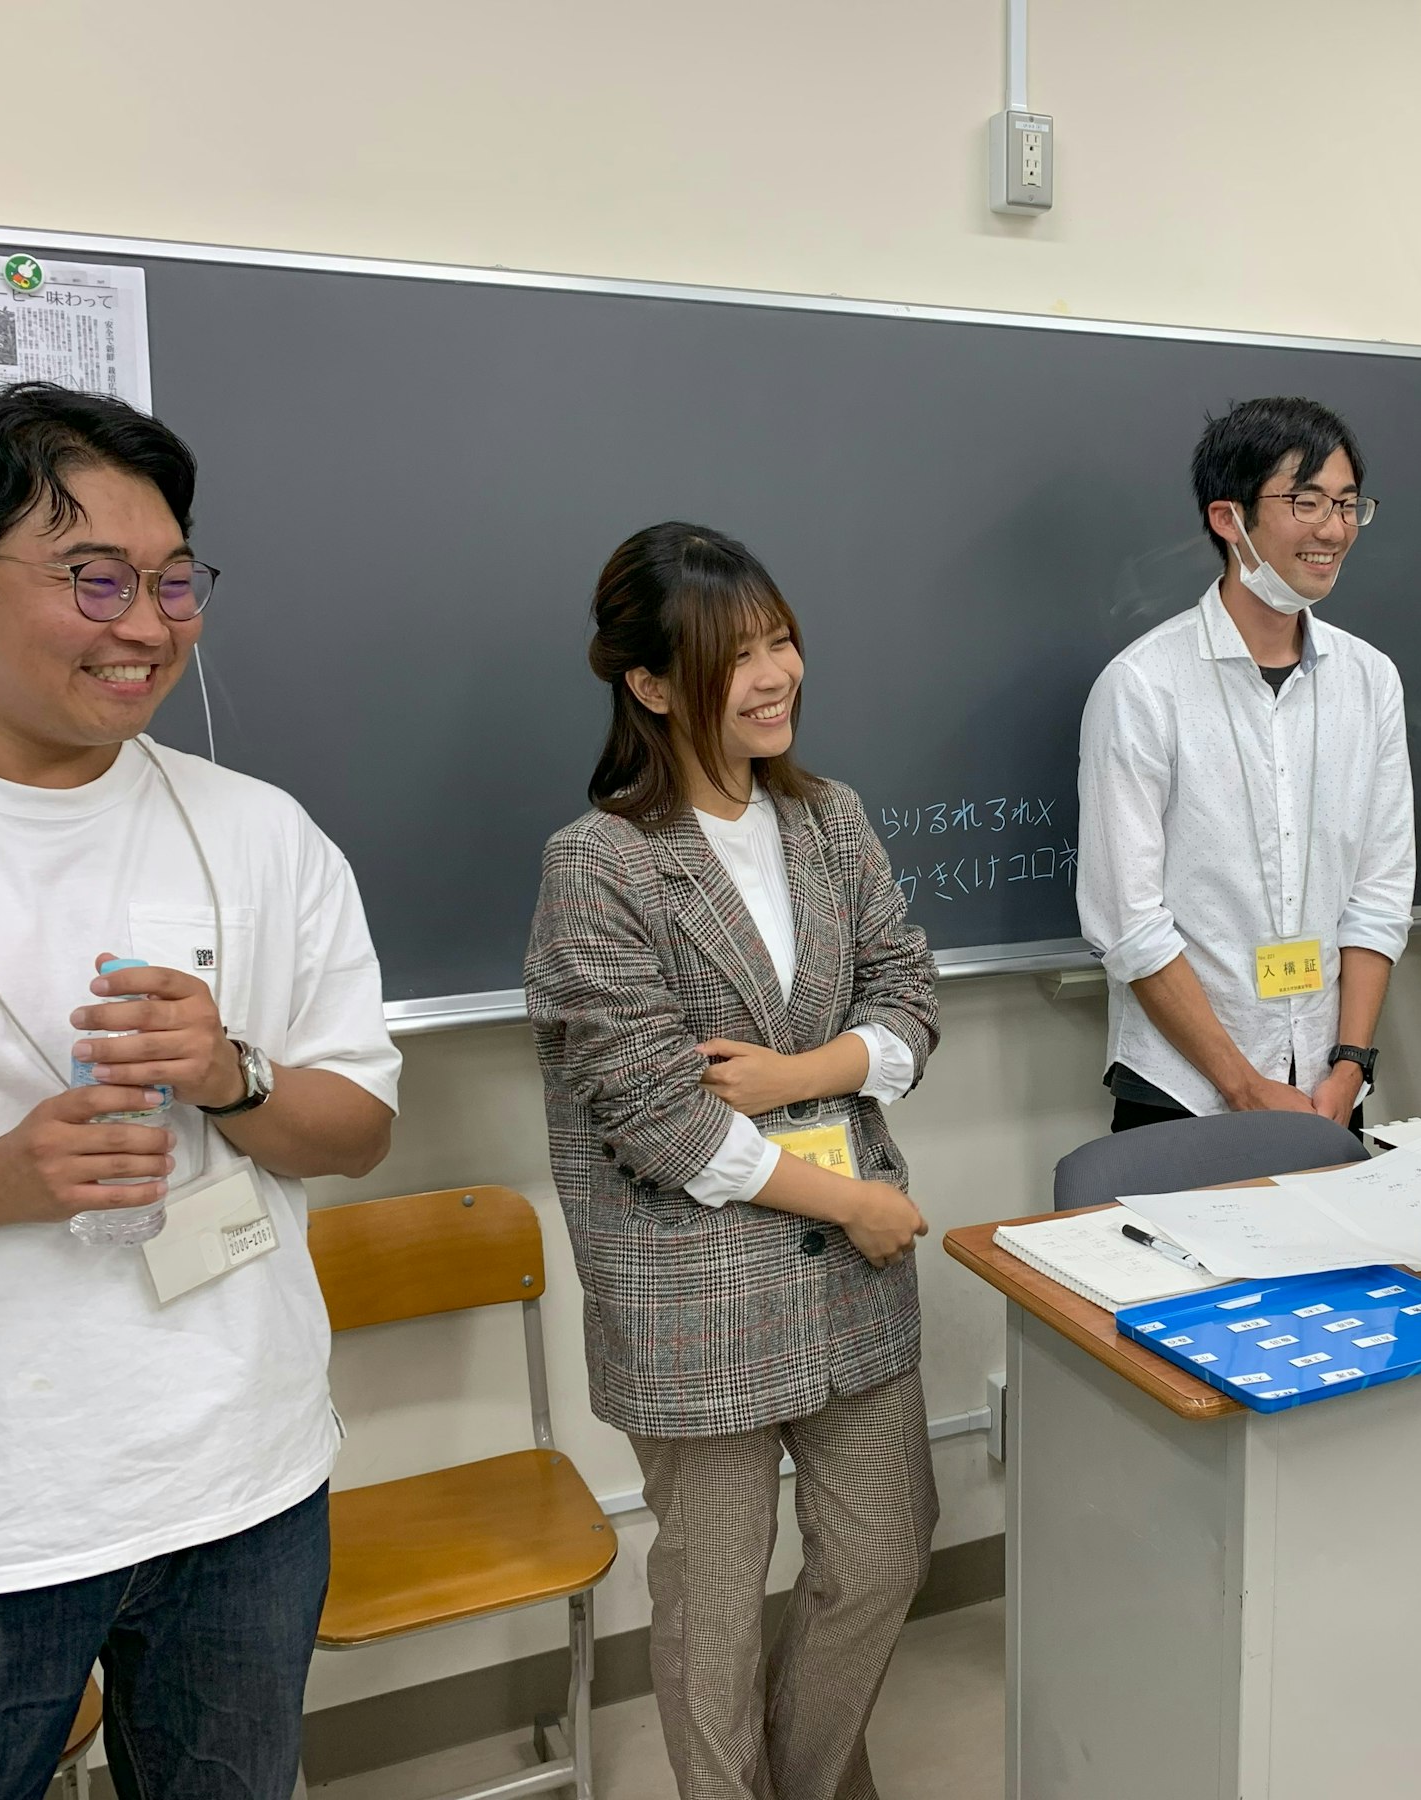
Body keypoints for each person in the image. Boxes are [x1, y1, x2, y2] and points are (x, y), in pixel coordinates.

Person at [0, 383, 400, 1797]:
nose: (149, 624)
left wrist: (234, 1075)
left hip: (243, 1489)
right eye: (93, 579)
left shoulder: (261, 831)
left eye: (172, 578)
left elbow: (360, 1128)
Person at [526, 522, 941, 1800]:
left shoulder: (830, 819)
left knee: (883, 1555)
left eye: (779, 641)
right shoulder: (598, 863)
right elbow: (660, 1119)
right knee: (712, 1610)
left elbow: (911, 1000)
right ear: (649, 685)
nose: (773, 676)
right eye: (731, 656)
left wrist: (796, 1079)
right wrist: (855, 1201)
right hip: (698, 1283)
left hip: (851, 1274)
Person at [1077, 396, 1416, 1132]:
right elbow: (1129, 924)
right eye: (1307, 502)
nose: (1333, 528)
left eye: (1349, 504)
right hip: (1183, 1094)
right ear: (1228, 519)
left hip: (1327, 1086)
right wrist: (1240, 1084)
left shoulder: (1370, 680)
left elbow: (1380, 895)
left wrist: (1352, 1062)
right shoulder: (1142, 686)